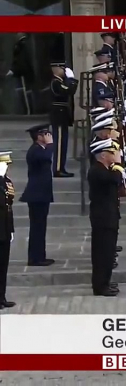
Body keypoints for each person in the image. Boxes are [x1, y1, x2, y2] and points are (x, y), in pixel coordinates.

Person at [88, 139, 124, 297]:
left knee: (107, 252)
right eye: (111, 152)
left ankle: (105, 281)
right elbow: (115, 178)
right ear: (103, 155)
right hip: (103, 218)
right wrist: (118, 165)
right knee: (102, 253)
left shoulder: (104, 169)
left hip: (107, 217)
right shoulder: (98, 171)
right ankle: (100, 285)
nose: (115, 155)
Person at [19, 124, 55, 267]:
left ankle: (40, 255)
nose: (48, 136)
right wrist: (51, 145)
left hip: (42, 194)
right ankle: (35, 258)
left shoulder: (41, 149)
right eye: (45, 134)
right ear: (38, 137)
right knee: (37, 227)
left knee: (40, 226)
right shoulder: (35, 151)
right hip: (36, 195)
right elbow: (46, 157)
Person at [49, 59, 78, 178]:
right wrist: (71, 80)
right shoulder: (56, 82)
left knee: (63, 143)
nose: (64, 71)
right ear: (56, 69)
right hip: (59, 116)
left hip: (62, 115)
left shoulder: (61, 81)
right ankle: (57, 169)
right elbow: (69, 91)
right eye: (62, 68)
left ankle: (61, 167)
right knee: (60, 144)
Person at [0, 152, 16, 310]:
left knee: (3, 266)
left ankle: (1, 296)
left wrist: (10, 229)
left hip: (4, 228)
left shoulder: (6, 182)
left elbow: (8, 207)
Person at [7, 33, 33, 115]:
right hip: (24, 74)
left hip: (22, 75)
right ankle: (27, 111)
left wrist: (14, 70)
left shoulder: (22, 46)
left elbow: (21, 61)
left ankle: (28, 112)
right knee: (23, 94)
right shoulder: (24, 45)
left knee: (24, 94)